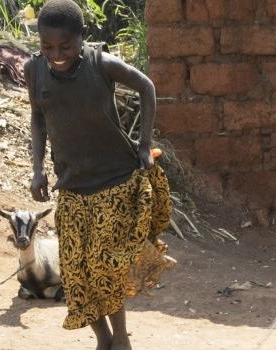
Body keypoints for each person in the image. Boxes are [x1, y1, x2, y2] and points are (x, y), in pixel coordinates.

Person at [25, 1, 170, 349]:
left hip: (114, 182)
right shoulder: (35, 71)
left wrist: (143, 144)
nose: (56, 54)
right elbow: (38, 117)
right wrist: (37, 170)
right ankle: (103, 339)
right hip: (72, 185)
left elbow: (147, 88)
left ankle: (120, 339)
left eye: (65, 46)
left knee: (105, 269)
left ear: (82, 39)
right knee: (77, 274)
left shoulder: (100, 64)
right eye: (47, 47)